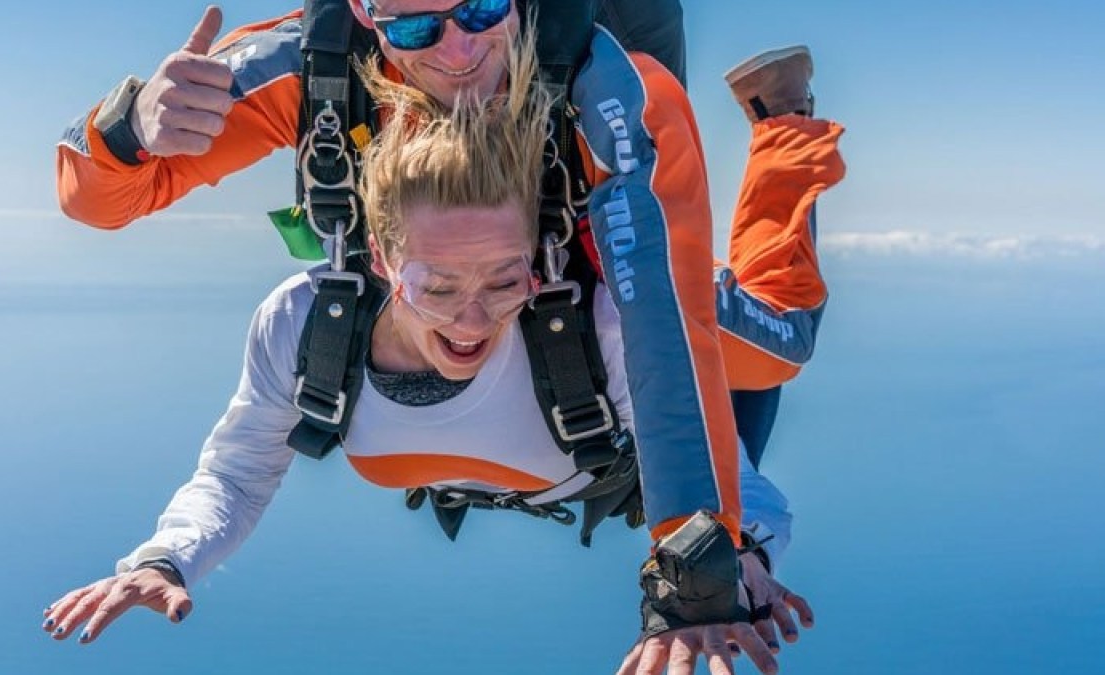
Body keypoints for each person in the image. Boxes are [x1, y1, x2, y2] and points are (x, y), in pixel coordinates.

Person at [54, 1, 845, 669]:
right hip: (452, 280)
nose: (461, 51)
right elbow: (99, 201)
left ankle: (784, 132)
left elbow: (666, 325)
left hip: (598, 266)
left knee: (774, 349)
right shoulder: (307, 68)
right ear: (366, 12)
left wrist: (695, 567)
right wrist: (127, 132)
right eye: (415, 31)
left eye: (481, 10)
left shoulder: (609, 87)